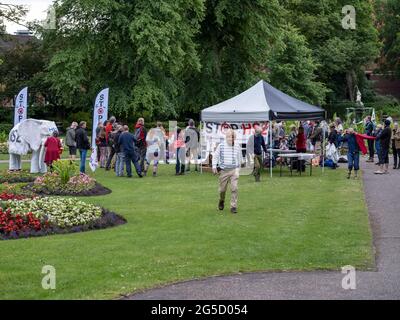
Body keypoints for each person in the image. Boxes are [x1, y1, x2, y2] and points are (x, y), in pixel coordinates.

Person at [212, 129, 242, 214]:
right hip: (223, 171)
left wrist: (238, 169)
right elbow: (215, 156)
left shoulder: (237, 146)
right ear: (226, 137)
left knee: (234, 188)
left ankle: (233, 206)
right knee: (222, 190)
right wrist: (214, 166)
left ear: (234, 138)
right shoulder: (221, 146)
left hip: (234, 170)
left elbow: (239, 158)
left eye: (232, 137)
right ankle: (221, 200)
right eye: (228, 137)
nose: (230, 139)